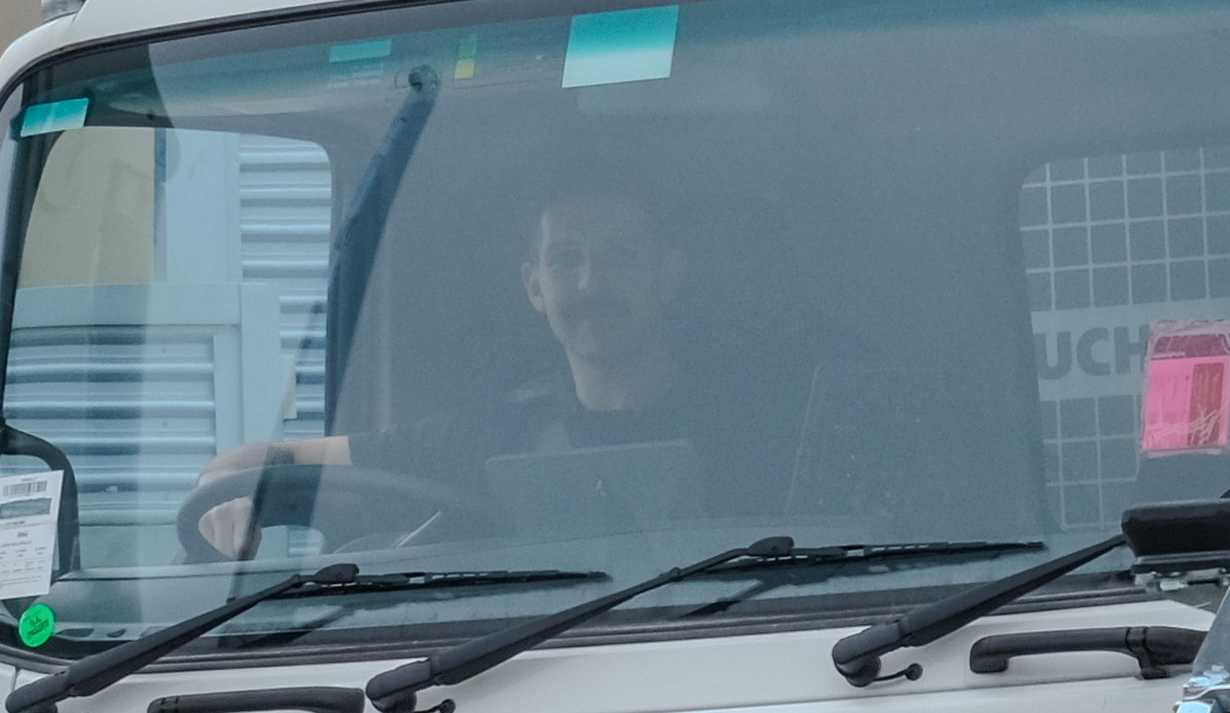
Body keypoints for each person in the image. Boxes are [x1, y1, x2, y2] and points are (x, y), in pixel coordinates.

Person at [189, 180, 804, 553]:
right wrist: (230, 495)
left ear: (668, 276)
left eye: (621, 256)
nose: (592, 283)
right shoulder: (485, 437)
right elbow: (246, 466)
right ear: (535, 287)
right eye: (566, 260)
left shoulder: (768, 429)